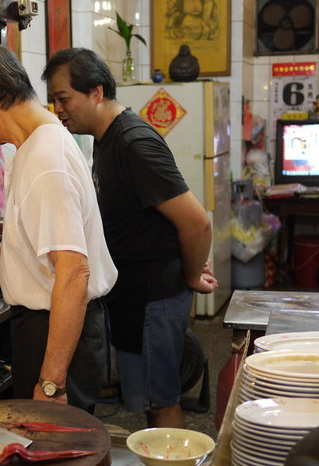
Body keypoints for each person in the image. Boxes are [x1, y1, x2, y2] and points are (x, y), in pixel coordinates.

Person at [0, 44, 118, 412]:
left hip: (56, 329)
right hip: (53, 325)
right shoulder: (41, 143)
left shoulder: (44, 160)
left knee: (54, 441)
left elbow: (73, 273)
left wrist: (51, 383)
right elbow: (47, 244)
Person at [42, 48, 218, 428]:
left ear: (96, 91)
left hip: (151, 298)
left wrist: (190, 276)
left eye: (64, 98)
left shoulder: (133, 142)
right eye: (54, 100)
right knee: (152, 402)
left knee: (161, 402)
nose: (58, 109)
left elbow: (196, 223)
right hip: (134, 297)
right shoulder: (105, 139)